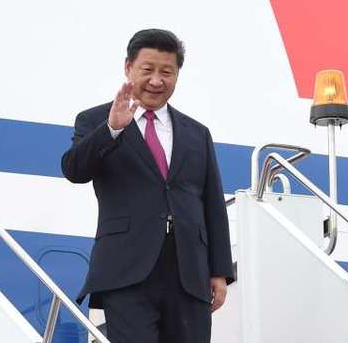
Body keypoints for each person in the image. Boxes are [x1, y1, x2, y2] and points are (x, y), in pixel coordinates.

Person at [61, 29, 233, 343]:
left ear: (177, 75)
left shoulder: (197, 133)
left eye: (166, 72)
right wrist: (112, 129)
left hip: (188, 273)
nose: (156, 80)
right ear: (128, 68)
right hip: (127, 270)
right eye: (147, 69)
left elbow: (212, 204)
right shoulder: (97, 119)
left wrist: (219, 271)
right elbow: (74, 170)